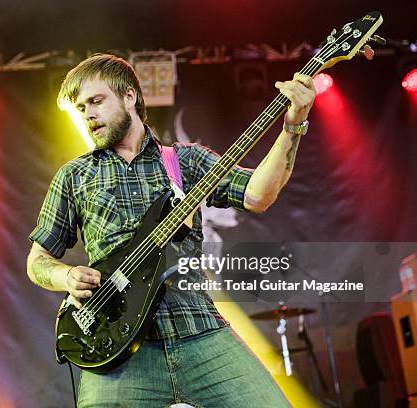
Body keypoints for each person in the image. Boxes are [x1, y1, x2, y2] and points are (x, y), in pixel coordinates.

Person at [27, 53, 315, 407]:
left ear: (129, 96)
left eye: (96, 101)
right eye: (81, 106)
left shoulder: (186, 161)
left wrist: (293, 126)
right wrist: (65, 275)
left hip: (200, 332)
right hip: (120, 351)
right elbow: (37, 260)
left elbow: (257, 195)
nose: (87, 113)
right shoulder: (75, 175)